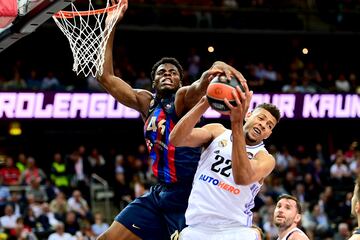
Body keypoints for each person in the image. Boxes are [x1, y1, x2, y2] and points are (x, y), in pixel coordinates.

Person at [96, 1, 247, 239]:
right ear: (153, 82)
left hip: (189, 195)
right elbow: (104, 76)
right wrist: (109, 25)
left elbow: (198, 87)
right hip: (160, 193)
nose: (168, 74)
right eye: (162, 72)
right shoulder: (146, 102)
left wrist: (211, 73)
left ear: (179, 81)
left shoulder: (181, 99)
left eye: (173, 72)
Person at [169, 85, 281, 239]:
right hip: (197, 227)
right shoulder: (217, 132)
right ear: (248, 115)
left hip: (235, 231)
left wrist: (236, 123)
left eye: (269, 126)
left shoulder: (265, 159)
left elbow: (242, 177)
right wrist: (206, 101)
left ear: (268, 134)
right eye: (261, 118)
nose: (263, 125)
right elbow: (176, 139)